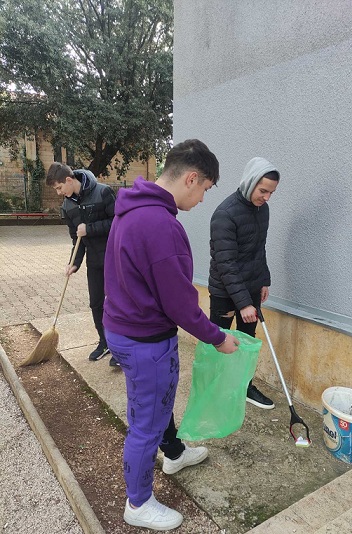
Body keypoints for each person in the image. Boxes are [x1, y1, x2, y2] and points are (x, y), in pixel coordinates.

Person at [102, 139, 239, 531]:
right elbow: (180, 304)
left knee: (152, 404)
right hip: (146, 340)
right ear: (192, 178)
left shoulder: (130, 208)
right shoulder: (162, 225)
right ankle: (138, 502)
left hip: (122, 329)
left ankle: (174, 453)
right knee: (146, 422)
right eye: (205, 191)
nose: (200, 200)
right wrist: (217, 337)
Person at [208, 156, 280, 409]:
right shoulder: (225, 215)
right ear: (250, 183)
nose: (267, 197)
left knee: (246, 342)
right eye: (263, 191)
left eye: (271, 192)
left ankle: (244, 387)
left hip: (250, 289)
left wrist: (264, 281)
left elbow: (258, 250)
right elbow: (225, 264)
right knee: (220, 342)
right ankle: (215, 390)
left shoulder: (263, 210)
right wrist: (243, 303)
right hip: (225, 293)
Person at [46, 162, 118, 366]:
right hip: (94, 262)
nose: (59, 193)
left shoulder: (103, 192)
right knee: (96, 303)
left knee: (117, 303)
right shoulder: (67, 206)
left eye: (59, 188)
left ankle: (121, 347)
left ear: (69, 180)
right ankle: (104, 342)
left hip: (115, 260)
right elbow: (76, 240)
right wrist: (73, 263)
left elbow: (118, 223)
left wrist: (90, 229)